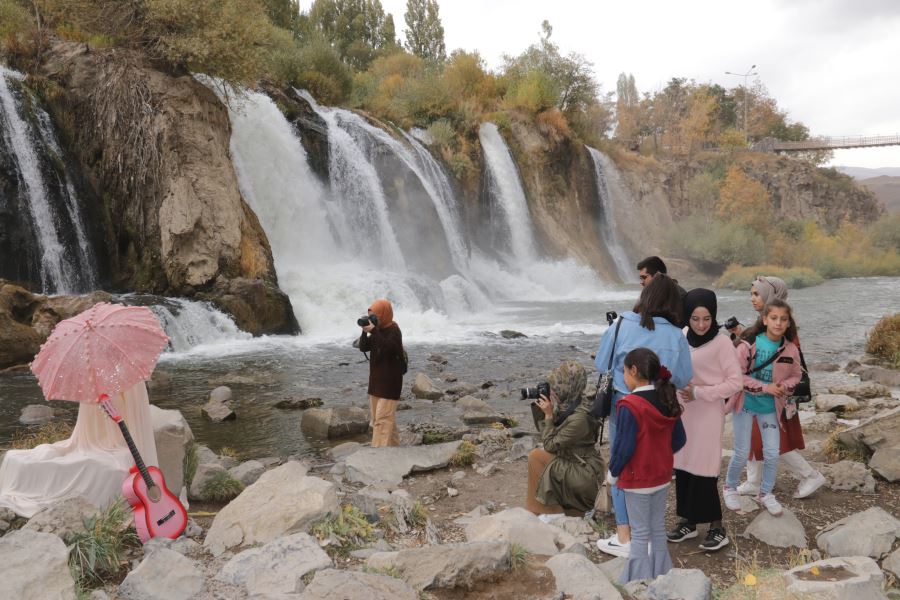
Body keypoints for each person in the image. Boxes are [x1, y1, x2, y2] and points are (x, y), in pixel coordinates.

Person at [594, 274, 692, 558]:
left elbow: (602, 363)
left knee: (623, 465)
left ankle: (625, 537)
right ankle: (647, 535)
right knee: (654, 467)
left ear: (644, 298)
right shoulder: (676, 334)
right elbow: (684, 377)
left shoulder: (622, 324)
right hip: (660, 406)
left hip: (623, 405)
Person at [736, 277, 826, 500]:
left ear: (770, 295)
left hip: (776, 396)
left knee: (775, 441)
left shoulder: (781, 327)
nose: (752, 299)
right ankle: (754, 481)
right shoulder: (765, 322)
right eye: (751, 293)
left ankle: (810, 475)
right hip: (758, 392)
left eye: (757, 294)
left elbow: (789, 364)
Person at [668, 289, 742, 552]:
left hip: (708, 412)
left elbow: (735, 382)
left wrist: (700, 392)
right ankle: (688, 522)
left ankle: (716, 527)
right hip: (684, 411)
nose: (701, 325)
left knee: (705, 468)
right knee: (684, 465)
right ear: (687, 316)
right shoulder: (682, 336)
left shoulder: (722, 344)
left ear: (715, 316)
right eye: (695, 318)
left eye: (707, 319)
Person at [607, 347, 686, 584]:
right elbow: (680, 439)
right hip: (661, 476)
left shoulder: (628, 404)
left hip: (637, 478)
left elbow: (624, 447)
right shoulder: (666, 398)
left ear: (633, 370)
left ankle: (637, 583)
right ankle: (663, 575)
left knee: (640, 533)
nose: (623, 376)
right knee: (658, 528)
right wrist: (658, 453)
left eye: (624, 371)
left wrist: (612, 474)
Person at [723, 299, 803, 517]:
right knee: (741, 452)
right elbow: (736, 376)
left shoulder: (791, 349)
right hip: (745, 406)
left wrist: (784, 386)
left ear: (788, 323)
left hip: (770, 409)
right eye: (774, 318)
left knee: (772, 453)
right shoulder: (748, 344)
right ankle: (729, 487)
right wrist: (765, 387)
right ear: (765, 319)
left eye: (783, 319)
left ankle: (765, 493)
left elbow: (797, 375)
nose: (778, 323)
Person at [526, 361, 605, 518]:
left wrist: (548, 415)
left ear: (570, 385)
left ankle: (543, 511)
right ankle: (560, 509)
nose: (554, 390)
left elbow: (549, 444)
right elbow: (545, 433)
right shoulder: (569, 403)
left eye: (558, 386)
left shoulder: (580, 418)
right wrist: (541, 411)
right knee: (540, 457)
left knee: (536, 457)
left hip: (585, 474)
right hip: (574, 461)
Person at [358, 299, 405, 447]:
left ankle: (377, 457)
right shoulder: (377, 331)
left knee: (382, 422)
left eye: (374, 316)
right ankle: (396, 452)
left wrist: (374, 331)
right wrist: (365, 332)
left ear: (384, 315)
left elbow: (387, 348)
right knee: (382, 420)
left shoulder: (394, 331)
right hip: (376, 383)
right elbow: (363, 348)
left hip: (390, 384)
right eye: (370, 317)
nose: (373, 320)